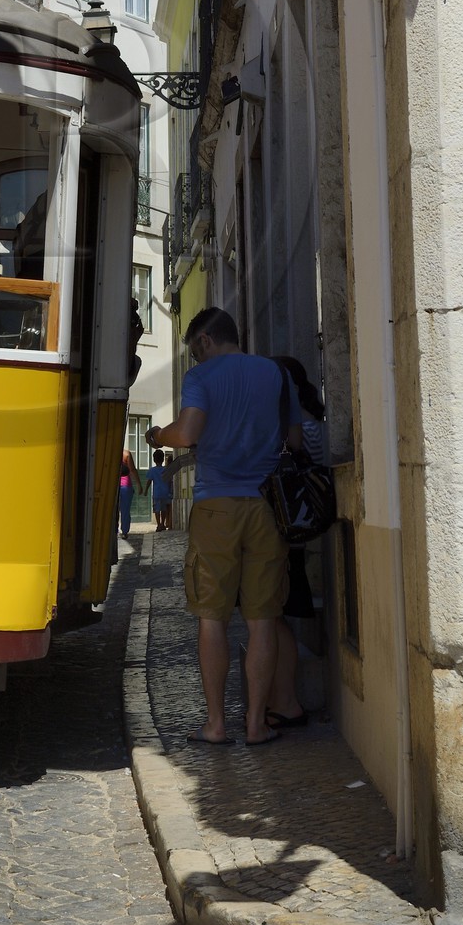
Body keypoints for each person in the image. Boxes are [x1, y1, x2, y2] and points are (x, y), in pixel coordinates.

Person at [147, 306, 302, 747]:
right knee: (263, 619)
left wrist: (158, 435)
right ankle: (256, 724)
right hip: (268, 507)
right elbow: (292, 440)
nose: (195, 361)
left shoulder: (202, 378)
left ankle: (216, 725)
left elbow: (189, 432)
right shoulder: (275, 374)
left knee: (212, 618)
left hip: (216, 506)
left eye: (194, 352)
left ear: (205, 342)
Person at [266, 355, 326, 730]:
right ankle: (280, 700)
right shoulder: (313, 419)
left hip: (289, 532)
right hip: (300, 532)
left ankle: (285, 702)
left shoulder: (298, 428)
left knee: (272, 615)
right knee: (273, 616)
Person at [146, 448, 187, 531]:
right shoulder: (166, 469)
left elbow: (149, 481)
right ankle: (163, 523)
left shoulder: (152, 470)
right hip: (165, 492)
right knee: (164, 509)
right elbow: (169, 480)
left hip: (157, 493)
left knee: (157, 509)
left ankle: (158, 525)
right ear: (162, 459)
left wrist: (146, 490)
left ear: (154, 459)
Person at [118, 445, 143, 537]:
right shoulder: (126, 454)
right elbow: (132, 469)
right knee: (125, 509)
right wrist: (139, 484)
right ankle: (124, 531)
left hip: (114, 485)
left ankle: (114, 530)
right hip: (126, 485)